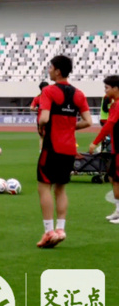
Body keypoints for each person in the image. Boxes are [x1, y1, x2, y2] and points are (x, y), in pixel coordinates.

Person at [36, 55, 92, 248]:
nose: (49, 70)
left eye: (51, 67)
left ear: (58, 71)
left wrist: (42, 125)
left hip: (52, 146)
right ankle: (60, 229)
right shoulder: (78, 94)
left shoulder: (49, 91)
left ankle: (48, 231)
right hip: (69, 148)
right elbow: (88, 121)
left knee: (44, 186)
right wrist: (68, 127)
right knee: (61, 189)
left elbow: (44, 118)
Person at [89, 75, 119, 223]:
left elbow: (108, 125)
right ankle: (118, 210)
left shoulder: (118, 105)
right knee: (113, 177)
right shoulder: (114, 105)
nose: (105, 90)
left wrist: (95, 142)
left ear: (116, 88)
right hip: (116, 148)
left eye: (107, 87)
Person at [30, 81, 50, 152]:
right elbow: (31, 107)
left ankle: (42, 150)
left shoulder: (38, 97)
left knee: (43, 136)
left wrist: (37, 109)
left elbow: (31, 108)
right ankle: (44, 150)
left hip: (43, 119)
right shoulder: (48, 98)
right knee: (46, 136)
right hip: (45, 119)